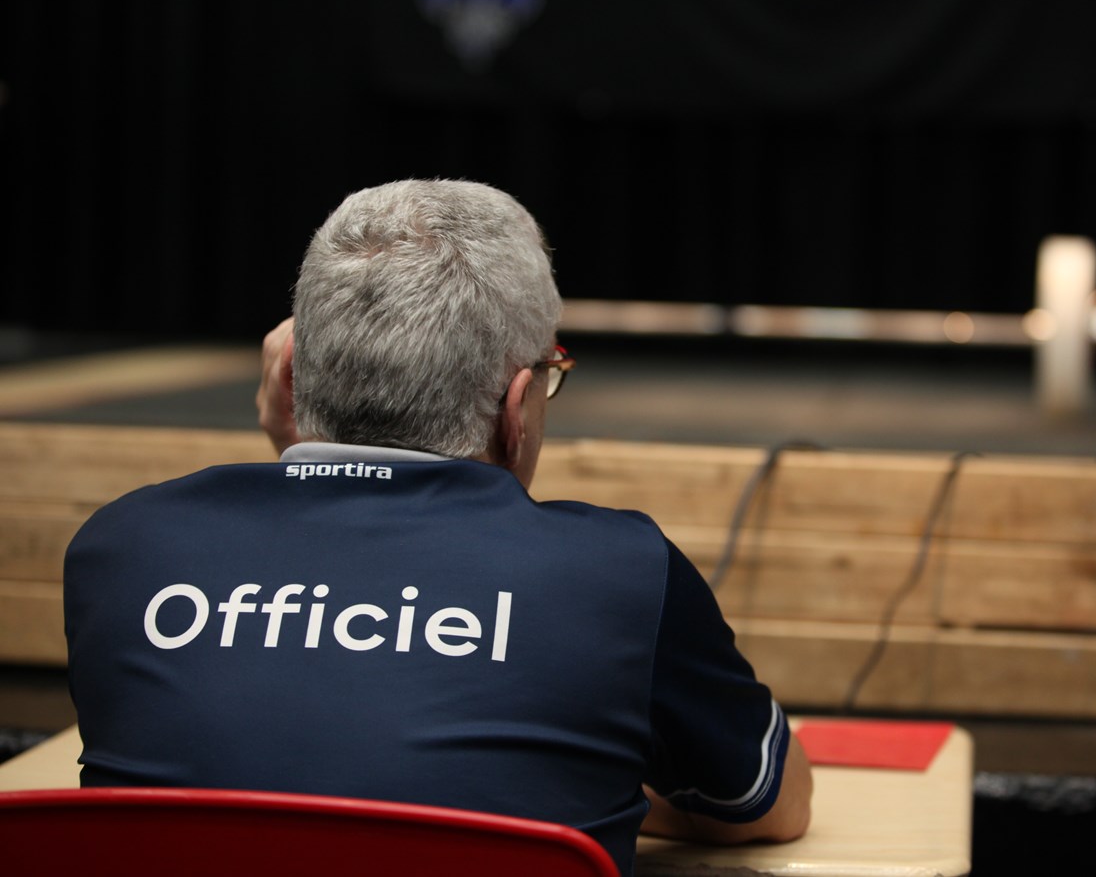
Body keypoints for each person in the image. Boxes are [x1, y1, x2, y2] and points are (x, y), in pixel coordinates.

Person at [64, 178, 811, 874]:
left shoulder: (125, 547)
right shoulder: (621, 574)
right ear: (516, 409)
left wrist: (294, 447)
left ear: (285, 375)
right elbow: (768, 806)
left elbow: (272, 772)